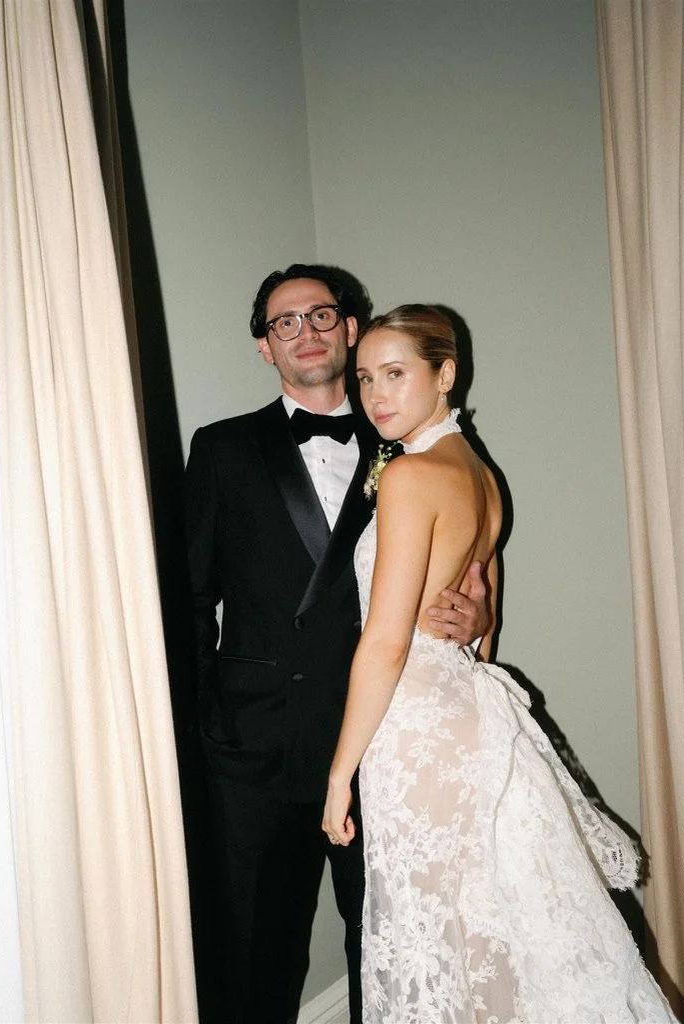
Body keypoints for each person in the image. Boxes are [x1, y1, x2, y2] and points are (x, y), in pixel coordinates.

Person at [322, 304, 677, 1023]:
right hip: (464, 707)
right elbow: (484, 631)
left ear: (444, 374)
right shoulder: (482, 475)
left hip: (413, 724)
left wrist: (338, 775)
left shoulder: (411, 475)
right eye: (364, 378)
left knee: (436, 930)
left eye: (395, 373)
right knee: (482, 924)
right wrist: (473, 625)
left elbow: (387, 642)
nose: (376, 395)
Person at [183, 266, 489, 1024]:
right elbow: (188, 598)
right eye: (284, 322)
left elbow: (465, 559)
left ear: (350, 329)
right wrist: (203, 727)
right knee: (253, 955)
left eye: (321, 315)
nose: (306, 332)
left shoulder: (407, 439)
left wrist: (477, 615)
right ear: (265, 347)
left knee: (385, 944)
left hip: (381, 740)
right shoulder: (221, 448)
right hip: (256, 748)